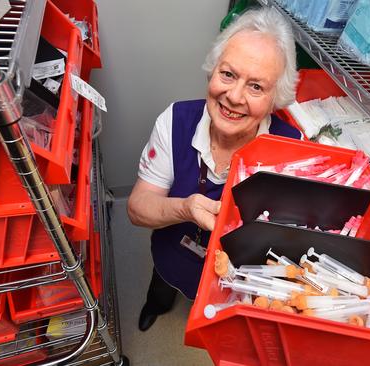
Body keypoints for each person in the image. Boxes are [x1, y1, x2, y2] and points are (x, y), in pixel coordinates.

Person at [127, 7, 302, 332]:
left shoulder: (292, 145)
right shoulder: (174, 121)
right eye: (228, 74)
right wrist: (185, 207)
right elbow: (137, 208)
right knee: (163, 287)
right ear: (212, 71)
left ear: (275, 98)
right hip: (173, 251)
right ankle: (157, 304)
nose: (234, 97)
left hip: (239, 276)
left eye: (256, 87)